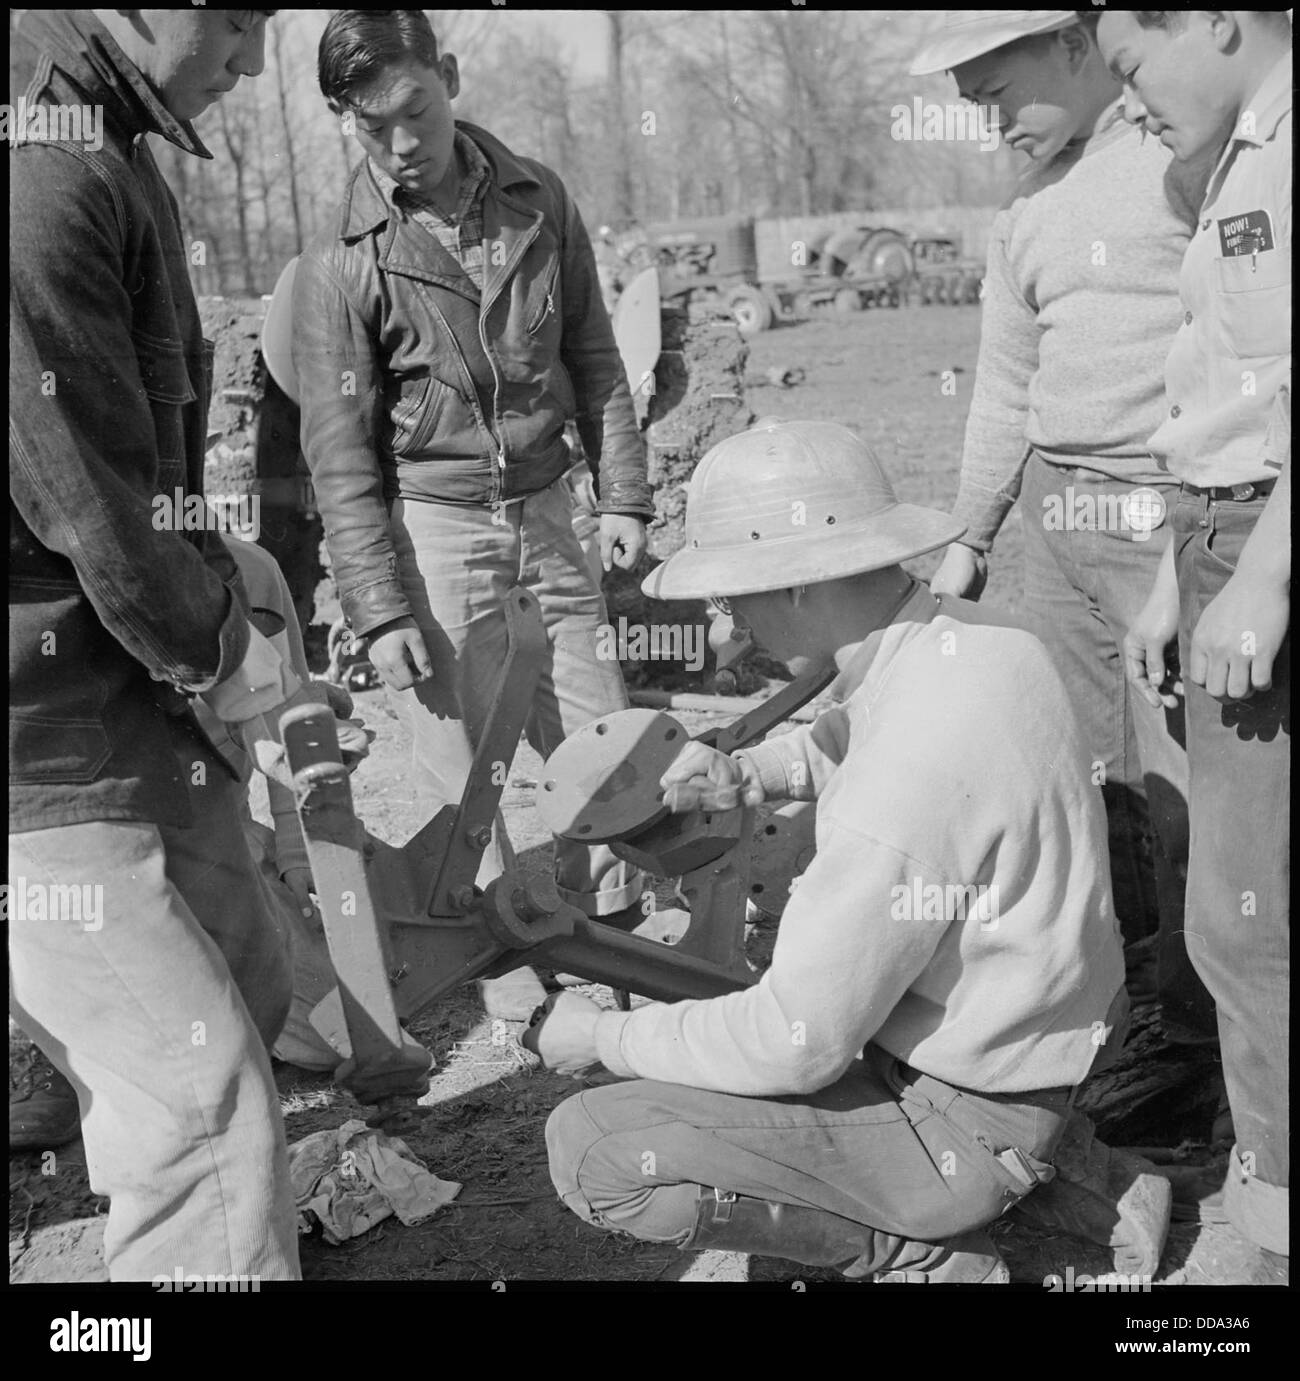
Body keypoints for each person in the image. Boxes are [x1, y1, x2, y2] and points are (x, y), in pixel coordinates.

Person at [525, 419, 1168, 1283]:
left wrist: (602, 1032)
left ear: (795, 586)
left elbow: (795, 1041)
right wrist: (749, 771)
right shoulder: (990, 637)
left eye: (730, 602)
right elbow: (858, 734)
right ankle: (1078, 1174)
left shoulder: (893, 791)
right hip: (1044, 1047)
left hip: (960, 1112)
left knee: (593, 1148)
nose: (728, 632)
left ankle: (915, 1248)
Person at [8, 8, 315, 1281]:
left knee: (244, 971)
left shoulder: (112, 146)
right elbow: (84, 492)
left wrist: (218, 577)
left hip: (121, 679)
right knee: (198, 1101)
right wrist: (225, 652)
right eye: (239, 23)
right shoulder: (38, 163)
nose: (250, 63)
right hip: (43, 735)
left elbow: (147, 462)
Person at [293, 10, 653, 1020]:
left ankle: (612, 937)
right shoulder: (344, 257)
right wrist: (381, 608)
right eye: (375, 129)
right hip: (435, 530)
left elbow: (593, 357)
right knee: (467, 768)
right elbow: (338, 454)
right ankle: (512, 959)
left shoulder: (540, 199)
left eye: (418, 109)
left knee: (601, 730)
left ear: (447, 75)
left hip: (547, 507)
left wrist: (621, 491)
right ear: (348, 124)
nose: (404, 143)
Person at [916, 11, 1216, 1047]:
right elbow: (1004, 388)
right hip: (1052, 524)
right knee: (1085, 787)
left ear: (1074, 46)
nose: (989, 124)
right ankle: (1127, 1018)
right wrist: (966, 542)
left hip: (1164, 519)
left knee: (1187, 796)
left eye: (998, 96)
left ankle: (1202, 1035)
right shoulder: (1026, 209)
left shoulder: (1191, 159)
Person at [1098, 7, 1291, 1287]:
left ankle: (1275, 1218)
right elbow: (1231, 385)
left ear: (1214, 20)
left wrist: (1260, 577)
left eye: (1128, 65)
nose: (1123, 100)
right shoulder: (1236, 156)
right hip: (1223, 537)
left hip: (1262, 542)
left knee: (1242, 918)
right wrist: (1184, 574)